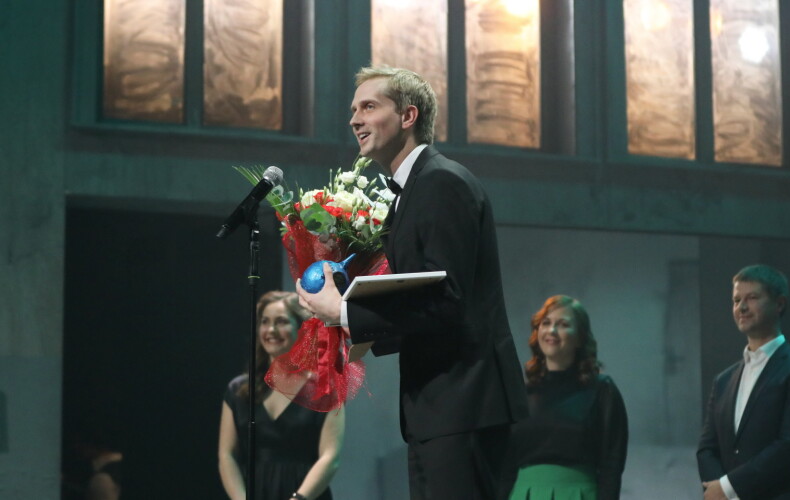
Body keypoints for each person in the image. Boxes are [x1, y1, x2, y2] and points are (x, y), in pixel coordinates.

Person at [297, 65, 528, 500]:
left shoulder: (441, 183)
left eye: (369, 106)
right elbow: (420, 292)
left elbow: (448, 301)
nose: (354, 119)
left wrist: (342, 311)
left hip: (465, 406)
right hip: (443, 409)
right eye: (353, 109)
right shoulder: (415, 191)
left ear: (408, 116)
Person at [697, 265, 790, 500]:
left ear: (779, 304)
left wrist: (727, 488)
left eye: (752, 298)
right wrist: (718, 491)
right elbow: (707, 448)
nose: (742, 307)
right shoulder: (723, 380)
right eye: (736, 300)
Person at [218, 291, 344, 500]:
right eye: (265, 322)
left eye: (281, 321)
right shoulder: (239, 390)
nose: (271, 330)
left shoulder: (325, 389)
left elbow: (330, 457)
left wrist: (299, 498)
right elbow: (226, 455)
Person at [506, 295, 628, 500]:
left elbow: (611, 466)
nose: (552, 330)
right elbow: (504, 464)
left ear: (580, 337)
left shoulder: (601, 390)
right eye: (546, 323)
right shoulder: (520, 392)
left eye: (562, 324)